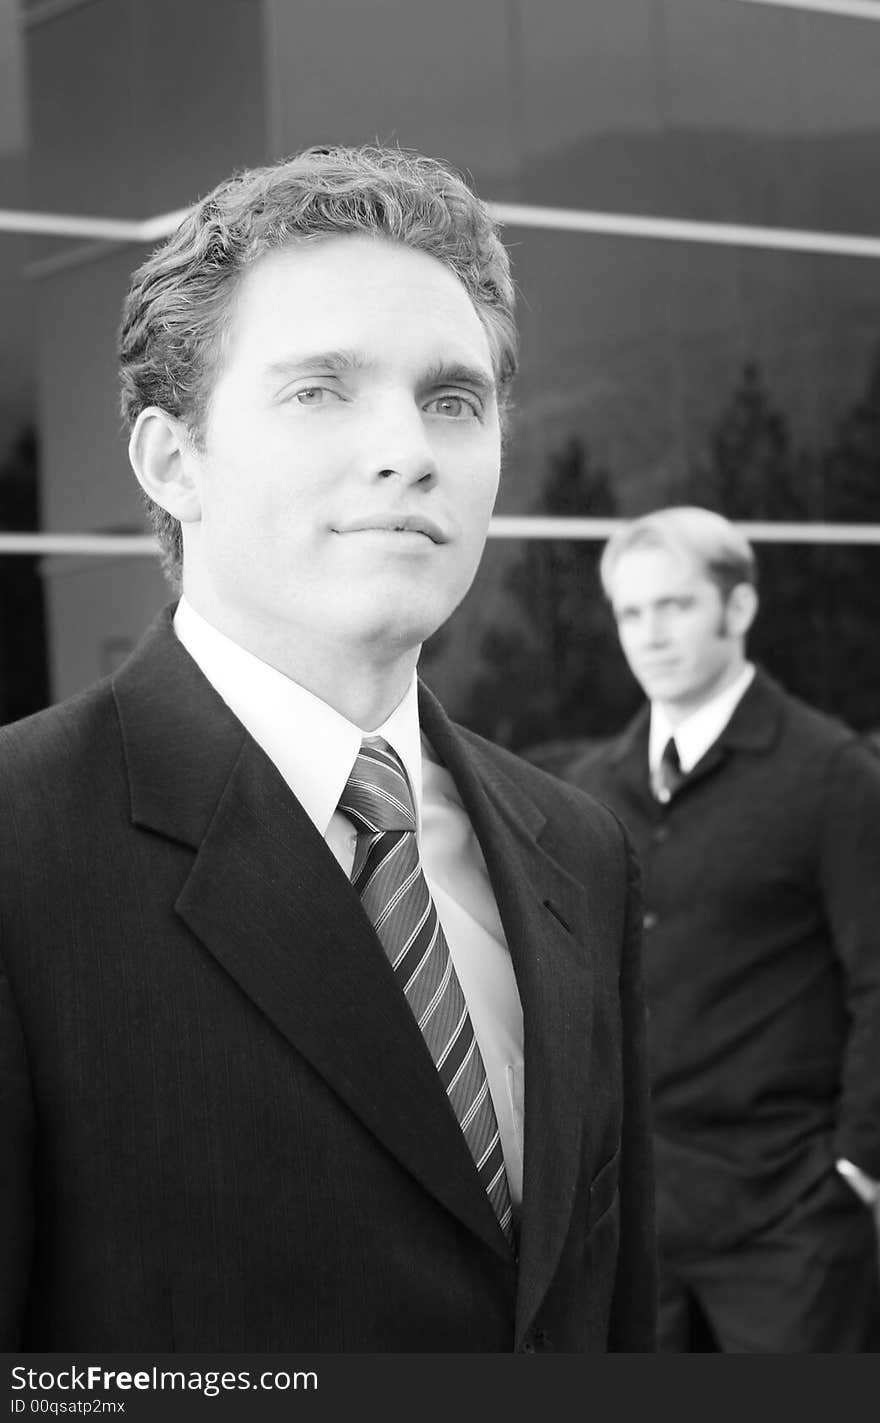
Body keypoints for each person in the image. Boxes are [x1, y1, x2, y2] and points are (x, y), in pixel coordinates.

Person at [0, 145, 656, 1353]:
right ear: (171, 460)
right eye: (321, 390)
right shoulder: (21, 843)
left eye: (453, 399)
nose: (409, 447)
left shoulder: (578, 850)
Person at [568, 505, 880, 1353]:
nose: (650, 635)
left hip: (792, 1221)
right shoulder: (592, 786)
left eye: (676, 606)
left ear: (738, 610)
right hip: (636, 1219)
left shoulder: (832, 776)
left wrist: (856, 1165)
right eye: (632, 613)